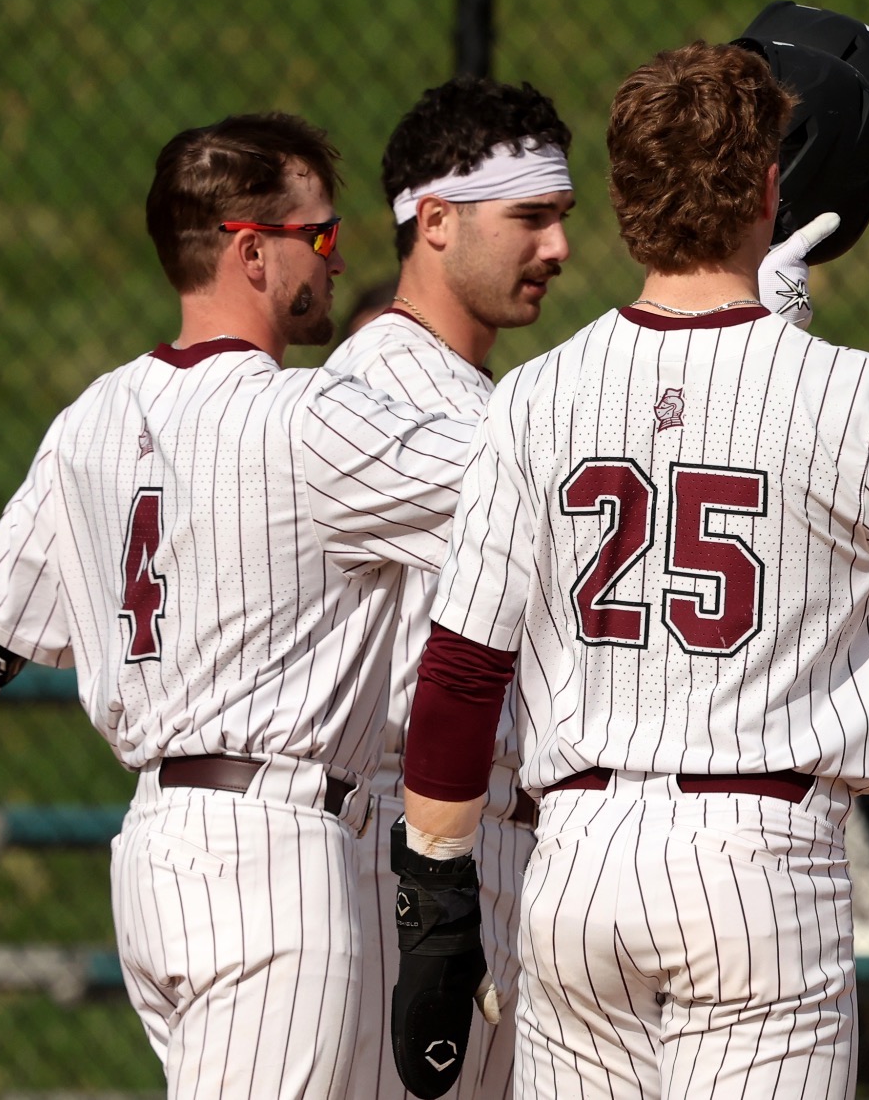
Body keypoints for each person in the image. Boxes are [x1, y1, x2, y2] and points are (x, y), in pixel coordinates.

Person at [384, 41, 869, 1100]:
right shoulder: (853, 399)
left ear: (623, 200)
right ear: (767, 186)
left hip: (576, 864)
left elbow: (463, 669)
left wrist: (435, 897)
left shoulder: (534, 397)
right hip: (756, 865)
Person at [0, 114, 478, 1098]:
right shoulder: (312, 421)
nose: (338, 254)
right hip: (274, 862)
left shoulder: (92, 419)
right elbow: (534, 487)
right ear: (249, 250)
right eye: (318, 235)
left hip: (152, 852)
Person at [327, 76, 576, 1100]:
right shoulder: (380, 388)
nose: (558, 249)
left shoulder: (476, 394)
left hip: (492, 849)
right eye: (530, 218)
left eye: (560, 219)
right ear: (434, 222)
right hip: (414, 856)